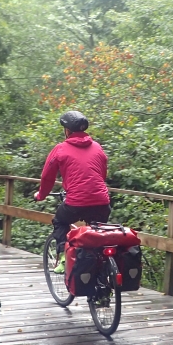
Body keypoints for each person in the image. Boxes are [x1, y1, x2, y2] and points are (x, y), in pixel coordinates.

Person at [34, 110, 111, 273]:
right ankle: (103, 268)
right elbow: (101, 175)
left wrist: (41, 195)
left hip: (76, 202)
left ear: (67, 131)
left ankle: (63, 257)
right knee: (97, 232)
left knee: (60, 221)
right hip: (102, 202)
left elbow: (47, 177)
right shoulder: (97, 147)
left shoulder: (61, 149)